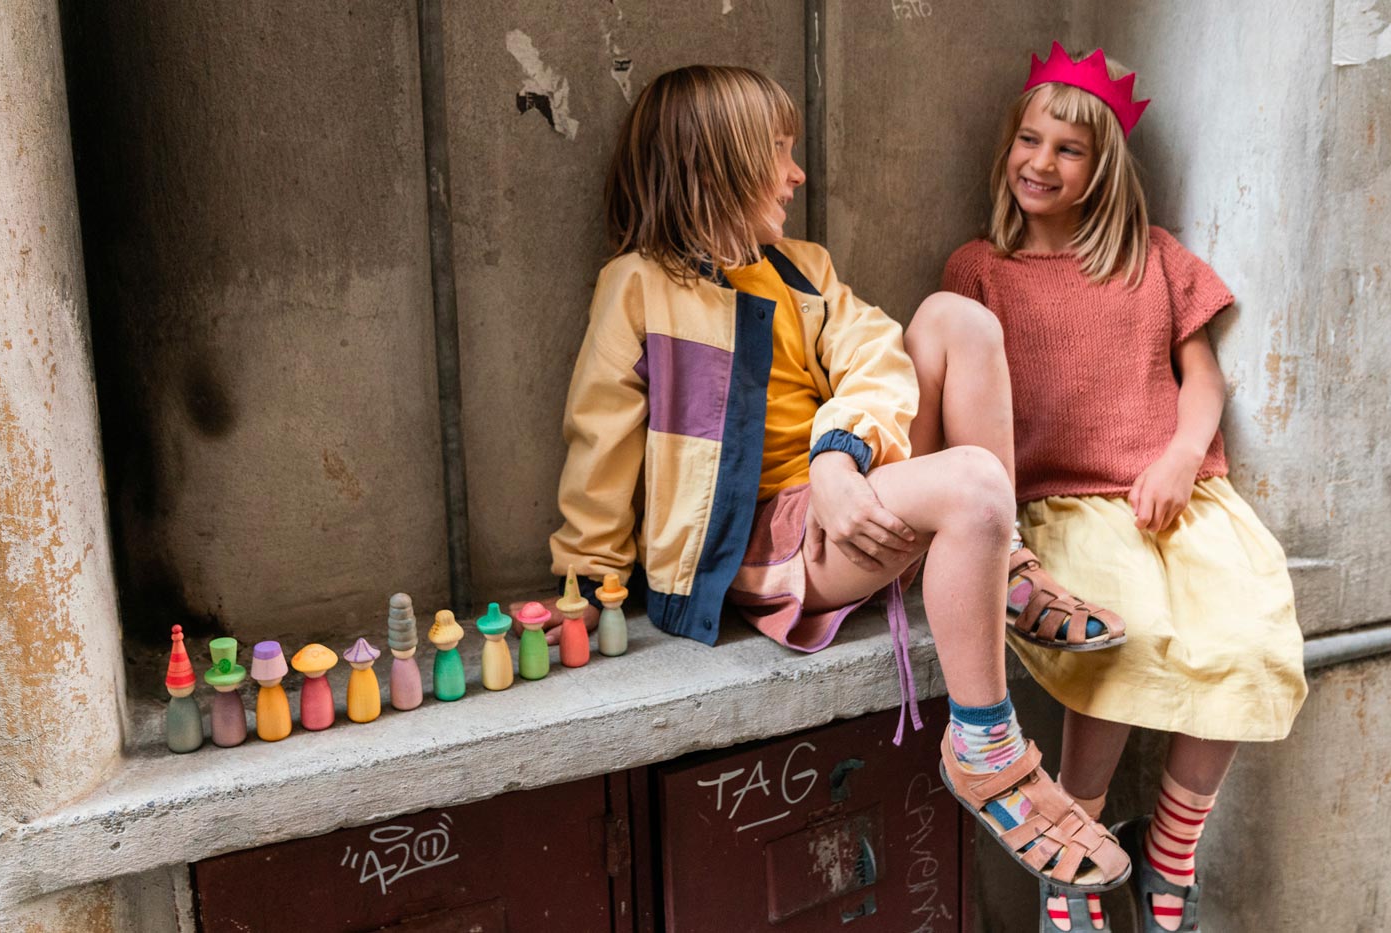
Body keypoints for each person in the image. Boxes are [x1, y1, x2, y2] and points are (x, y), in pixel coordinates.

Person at [547, 64, 1128, 893]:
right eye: (778, 155)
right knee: (972, 484)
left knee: (953, 319)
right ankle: (986, 749)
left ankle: (1004, 571)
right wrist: (585, 586)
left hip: (842, 493)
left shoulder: (801, 268)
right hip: (764, 541)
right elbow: (599, 442)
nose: (798, 174)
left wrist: (836, 458)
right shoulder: (639, 288)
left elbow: (878, 357)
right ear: (719, 169)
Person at [943, 43, 1307, 932]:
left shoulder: (1152, 257)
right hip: (1064, 506)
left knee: (1248, 637)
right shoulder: (980, 271)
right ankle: (1076, 843)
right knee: (1118, 643)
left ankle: (1170, 850)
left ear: (1103, 166)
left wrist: (1184, 453)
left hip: (1176, 493)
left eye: (1067, 150)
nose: (1041, 161)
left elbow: (1203, 377)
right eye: (1030, 140)